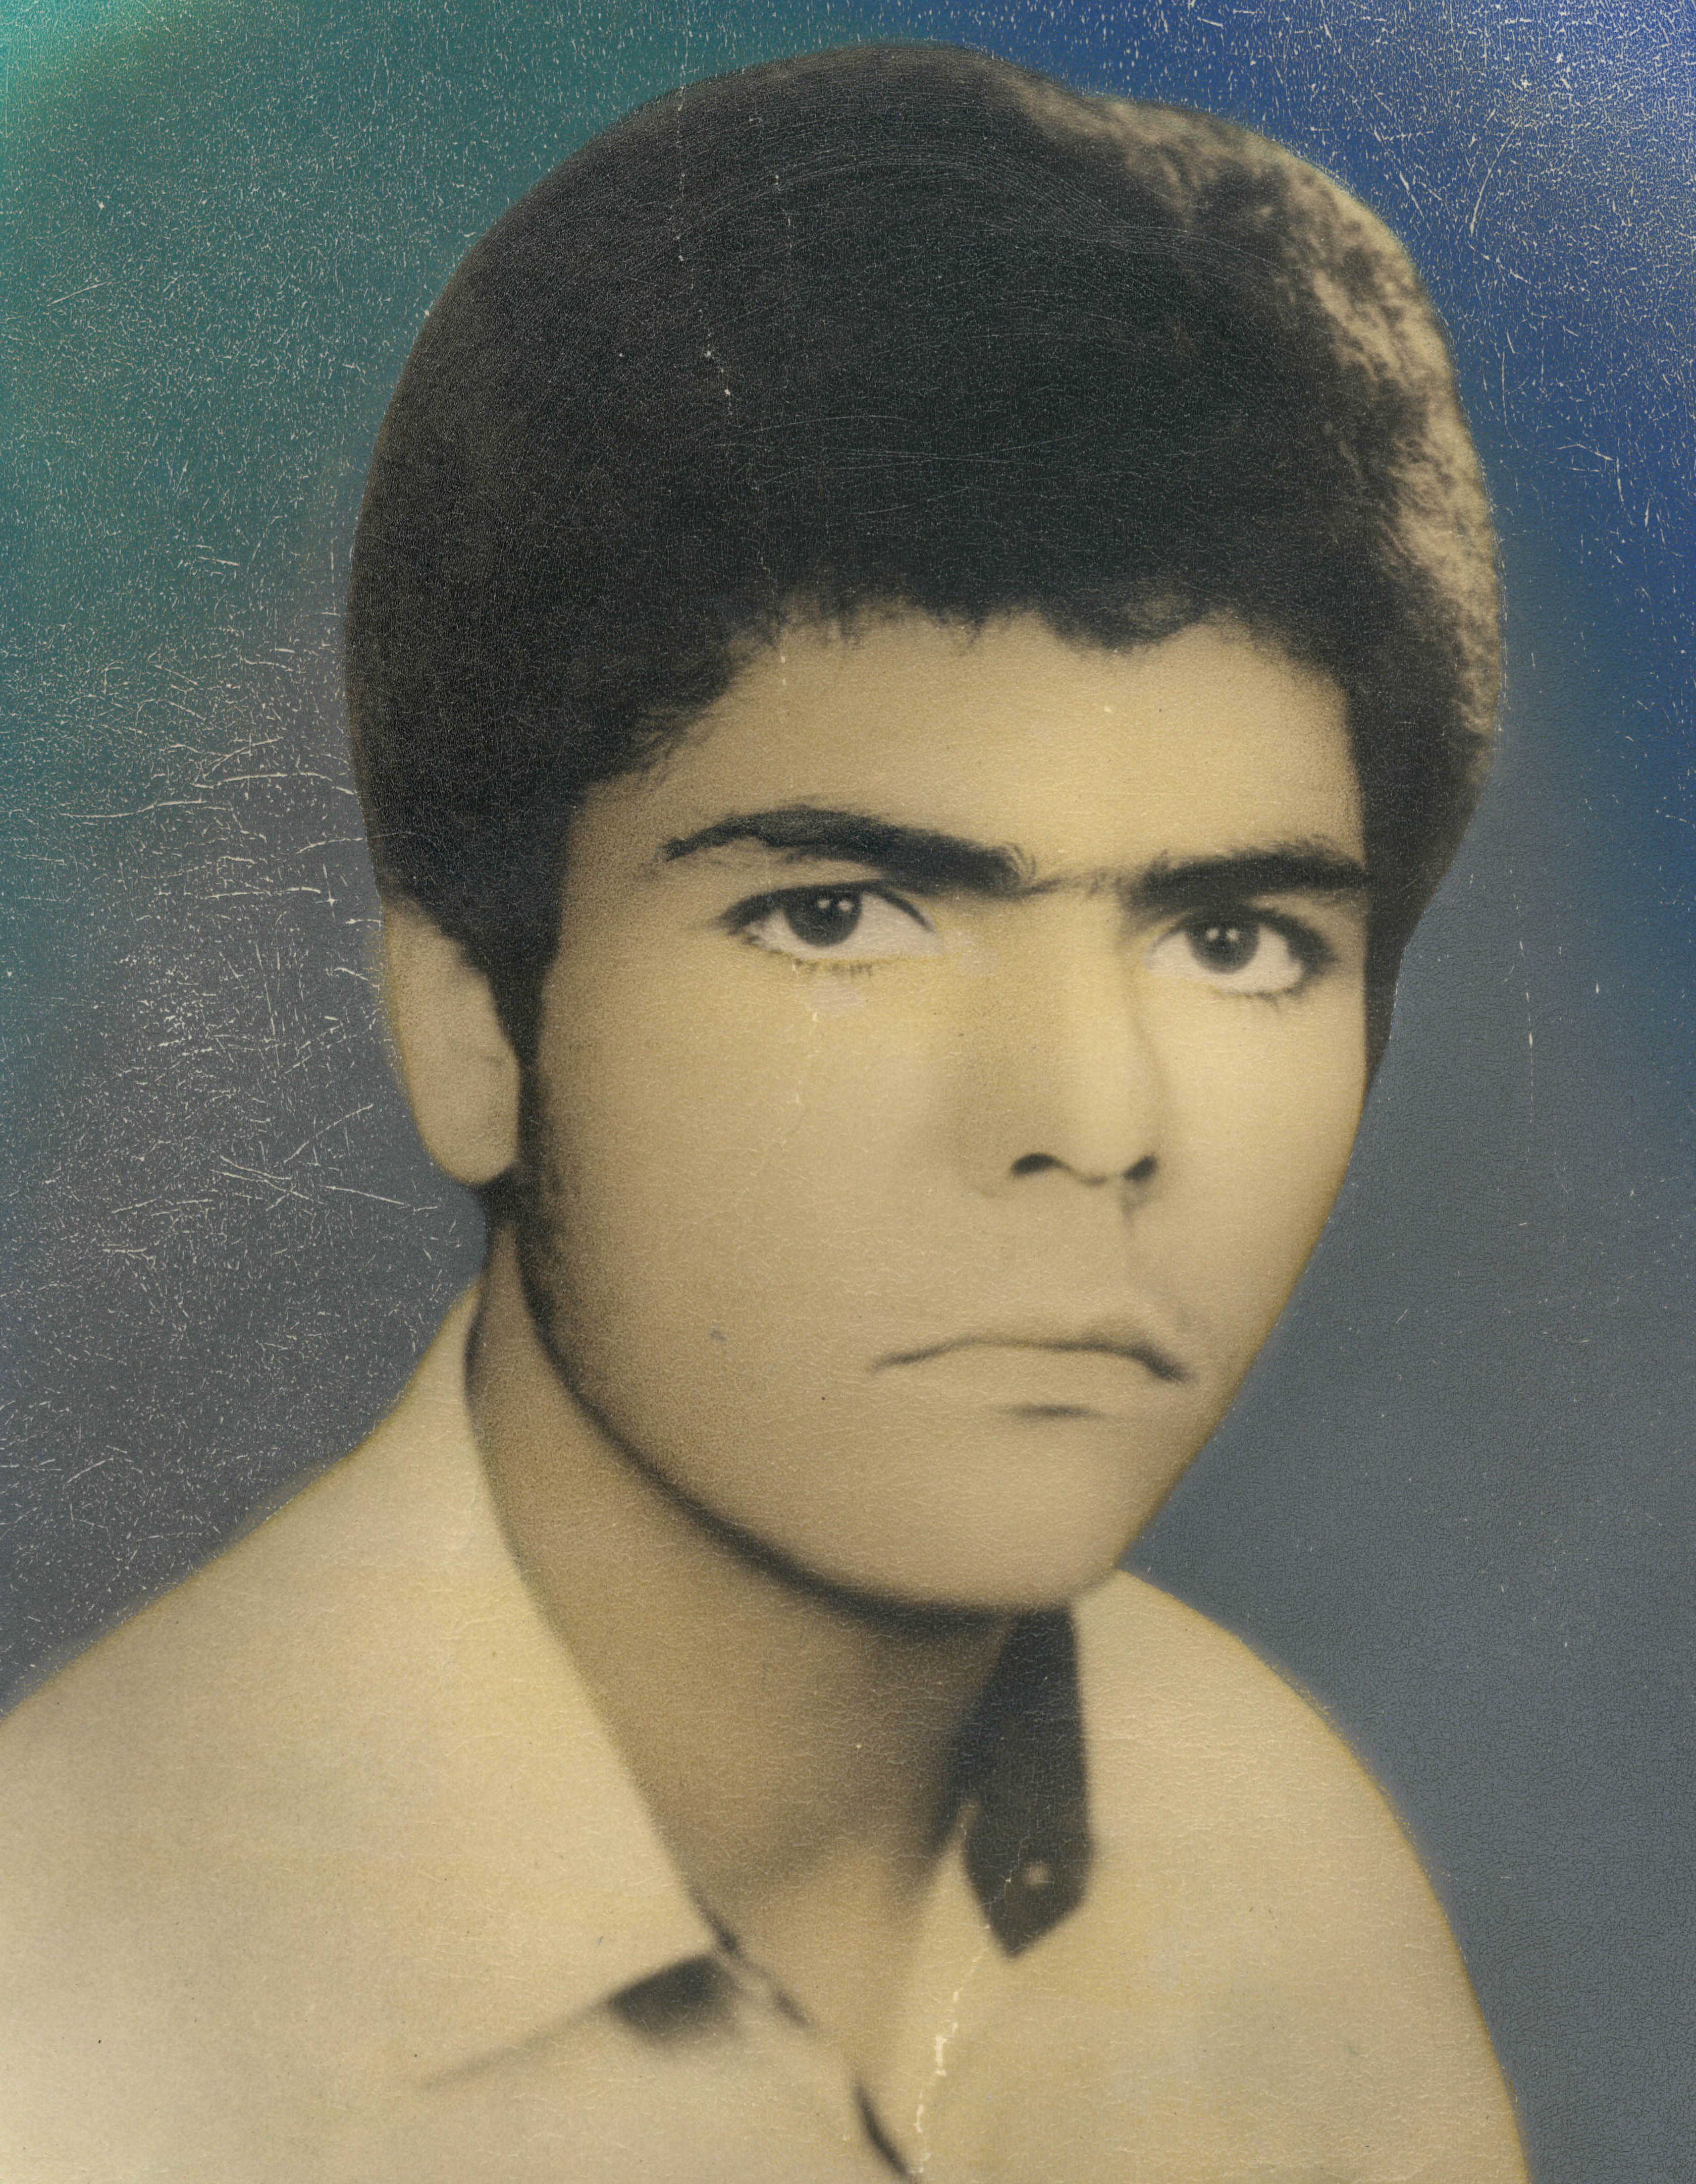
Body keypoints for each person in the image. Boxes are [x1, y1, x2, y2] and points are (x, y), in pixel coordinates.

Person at [0, 41, 1526, 2183]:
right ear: (472, 1024)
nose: (1091, 1118)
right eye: (842, 914)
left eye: (1232, 936)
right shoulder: (76, 2031)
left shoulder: (1278, 1860)